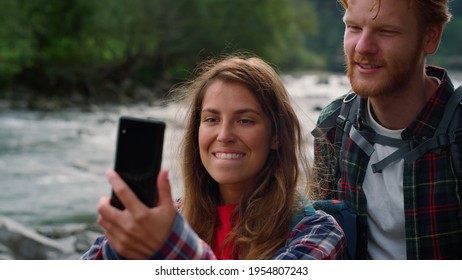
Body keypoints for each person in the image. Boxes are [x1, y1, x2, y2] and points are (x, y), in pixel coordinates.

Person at [81, 54, 345, 260]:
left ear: (276, 136)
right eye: (211, 119)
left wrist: (169, 244)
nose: (224, 135)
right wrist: (123, 247)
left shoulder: (317, 232)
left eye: (245, 120)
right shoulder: (167, 218)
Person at [312, 0, 461, 259]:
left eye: (386, 31)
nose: (362, 47)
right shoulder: (333, 125)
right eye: (354, 28)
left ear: (430, 37)